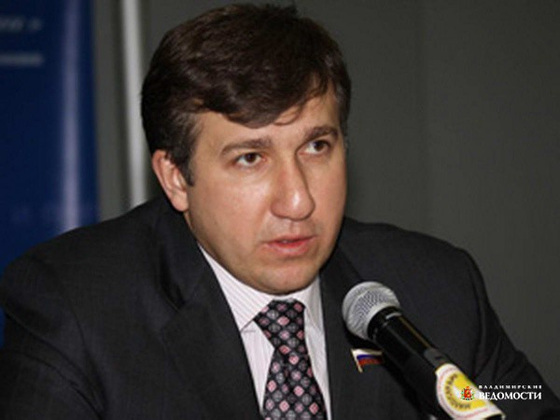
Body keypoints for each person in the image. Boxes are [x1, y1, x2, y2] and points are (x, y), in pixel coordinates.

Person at [0, 4, 558, 419]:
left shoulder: (436, 285)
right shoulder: (77, 308)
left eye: (316, 147)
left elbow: (522, 398)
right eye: (250, 158)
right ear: (175, 178)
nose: (299, 201)